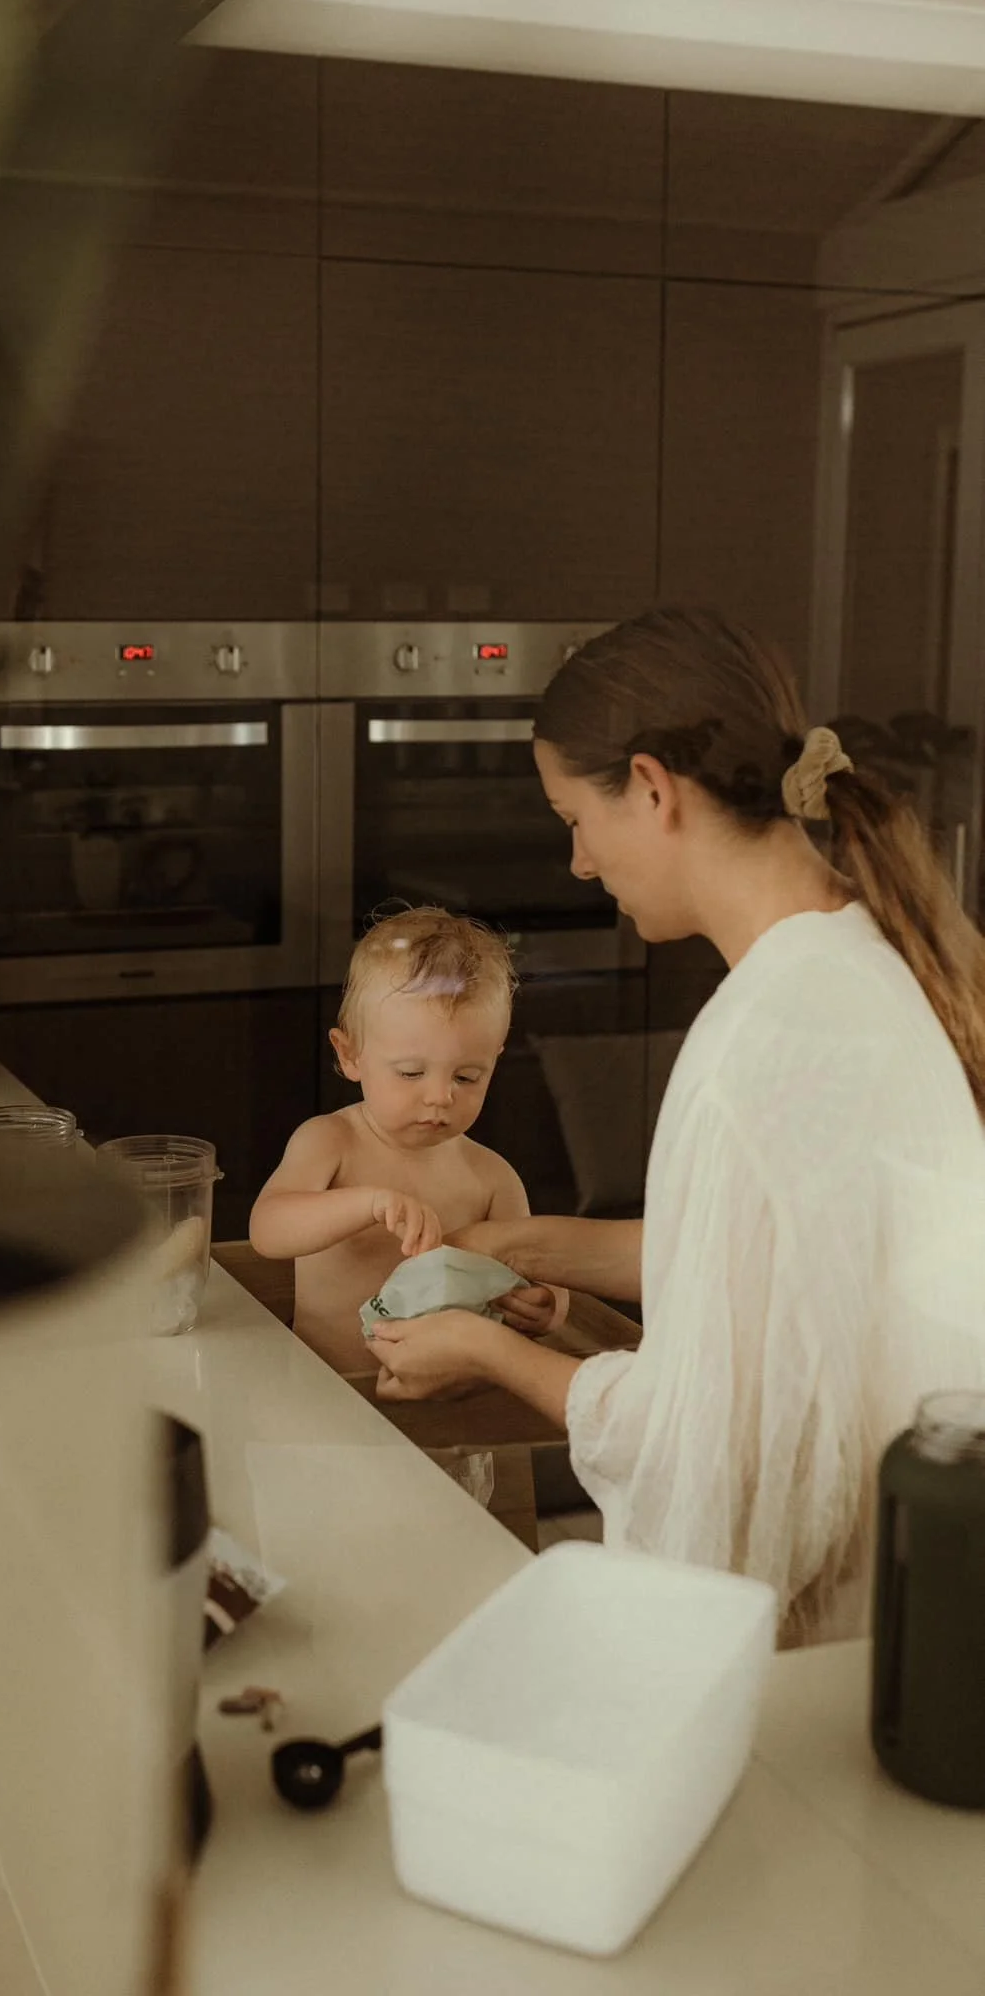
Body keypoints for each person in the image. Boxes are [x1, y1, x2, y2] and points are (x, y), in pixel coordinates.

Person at [366, 608, 985, 1647]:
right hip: (925, 1590)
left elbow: (701, 1445)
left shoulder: (756, 1046)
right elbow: (777, 1272)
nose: (575, 860)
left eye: (573, 815)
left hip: (832, 1656)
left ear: (652, 789)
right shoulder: (865, 958)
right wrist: (515, 1244)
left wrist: (482, 1349)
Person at [249, 907, 560, 1376]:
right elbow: (268, 1231)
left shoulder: (493, 1178)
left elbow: (540, 1269)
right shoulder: (331, 1142)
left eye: (468, 1076)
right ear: (350, 1054)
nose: (440, 1096)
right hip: (327, 1393)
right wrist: (367, 1205)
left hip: (449, 1404)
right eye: (411, 1073)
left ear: (495, 1061)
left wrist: (548, 1307)